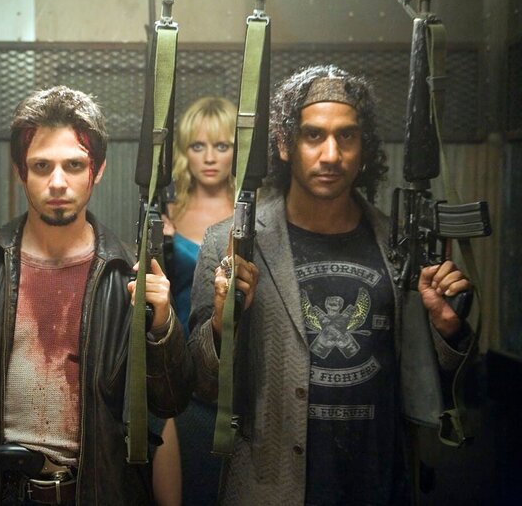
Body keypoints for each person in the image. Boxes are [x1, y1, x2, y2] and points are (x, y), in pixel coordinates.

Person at [188, 65, 474, 505]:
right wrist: (224, 323)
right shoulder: (232, 244)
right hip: (271, 488)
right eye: (313, 135)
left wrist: (448, 331)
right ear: (284, 144)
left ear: (364, 148)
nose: (331, 155)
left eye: (346, 136)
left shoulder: (399, 245)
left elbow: (435, 393)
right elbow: (202, 385)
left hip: (379, 485)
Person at [0, 86, 194, 505]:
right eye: (41, 166)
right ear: (20, 171)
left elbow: (172, 401)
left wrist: (162, 324)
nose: (58, 182)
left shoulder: (125, 274)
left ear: (97, 170)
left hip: (95, 492)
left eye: (74, 165)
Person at [152, 96, 236, 506]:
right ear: (185, 151)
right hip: (179, 360)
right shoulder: (167, 213)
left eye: (221, 146)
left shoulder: (255, 212)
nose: (210, 158)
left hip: (237, 359)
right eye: (198, 146)